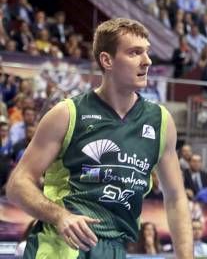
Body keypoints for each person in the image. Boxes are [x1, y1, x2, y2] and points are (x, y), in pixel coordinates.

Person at [6, 17, 192, 258]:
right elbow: (17, 185)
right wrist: (60, 216)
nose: (146, 61)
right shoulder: (67, 114)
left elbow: (176, 197)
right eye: (135, 53)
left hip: (115, 249)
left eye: (146, 52)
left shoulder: (160, 121)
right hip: (62, 245)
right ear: (107, 60)